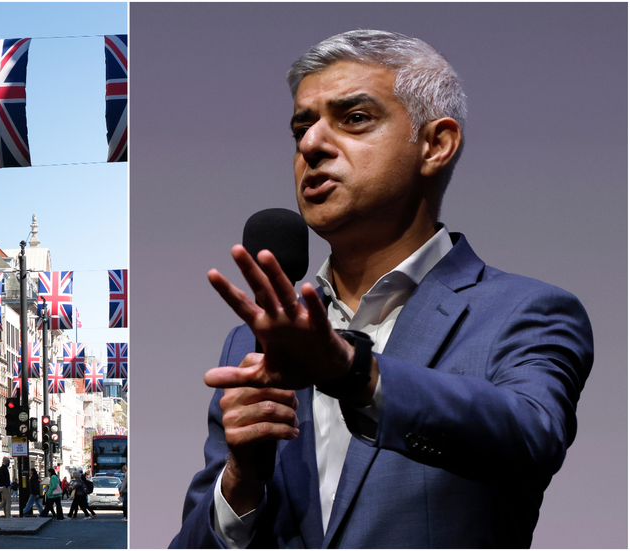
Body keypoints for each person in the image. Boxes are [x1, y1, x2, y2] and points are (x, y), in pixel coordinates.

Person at [171, 29, 594, 549]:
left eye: (354, 118)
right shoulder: (253, 341)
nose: (310, 144)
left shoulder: (527, 312)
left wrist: (353, 372)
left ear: (436, 145)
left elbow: (532, 436)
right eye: (302, 127)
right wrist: (242, 480)